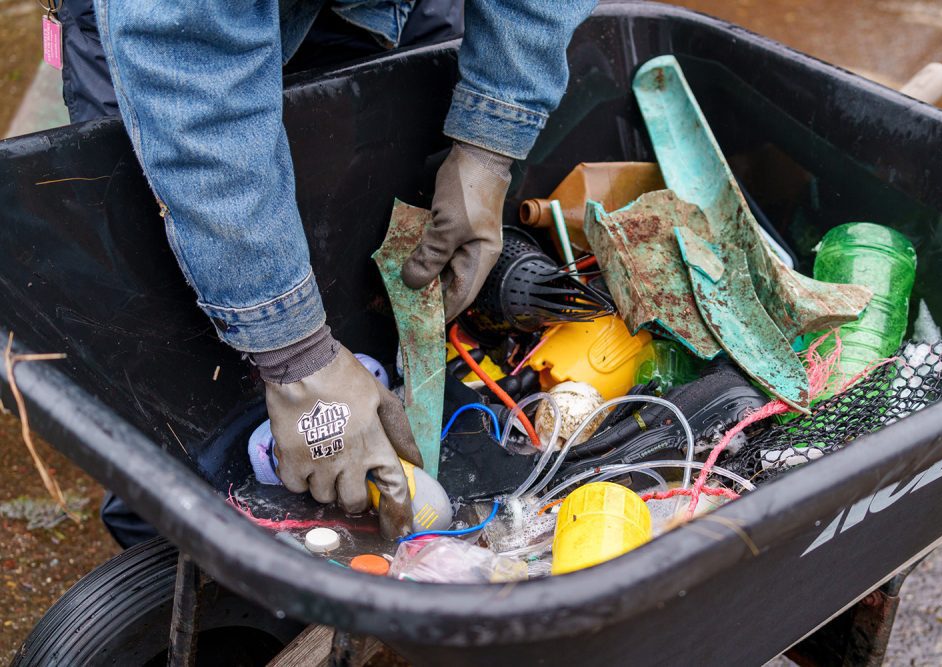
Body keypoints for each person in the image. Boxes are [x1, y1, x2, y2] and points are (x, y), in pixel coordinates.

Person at [87, 0, 598, 540]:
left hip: (384, 12)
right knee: (176, 421)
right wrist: (293, 353)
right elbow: (189, 65)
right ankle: (182, 575)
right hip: (177, 52)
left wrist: (490, 141)